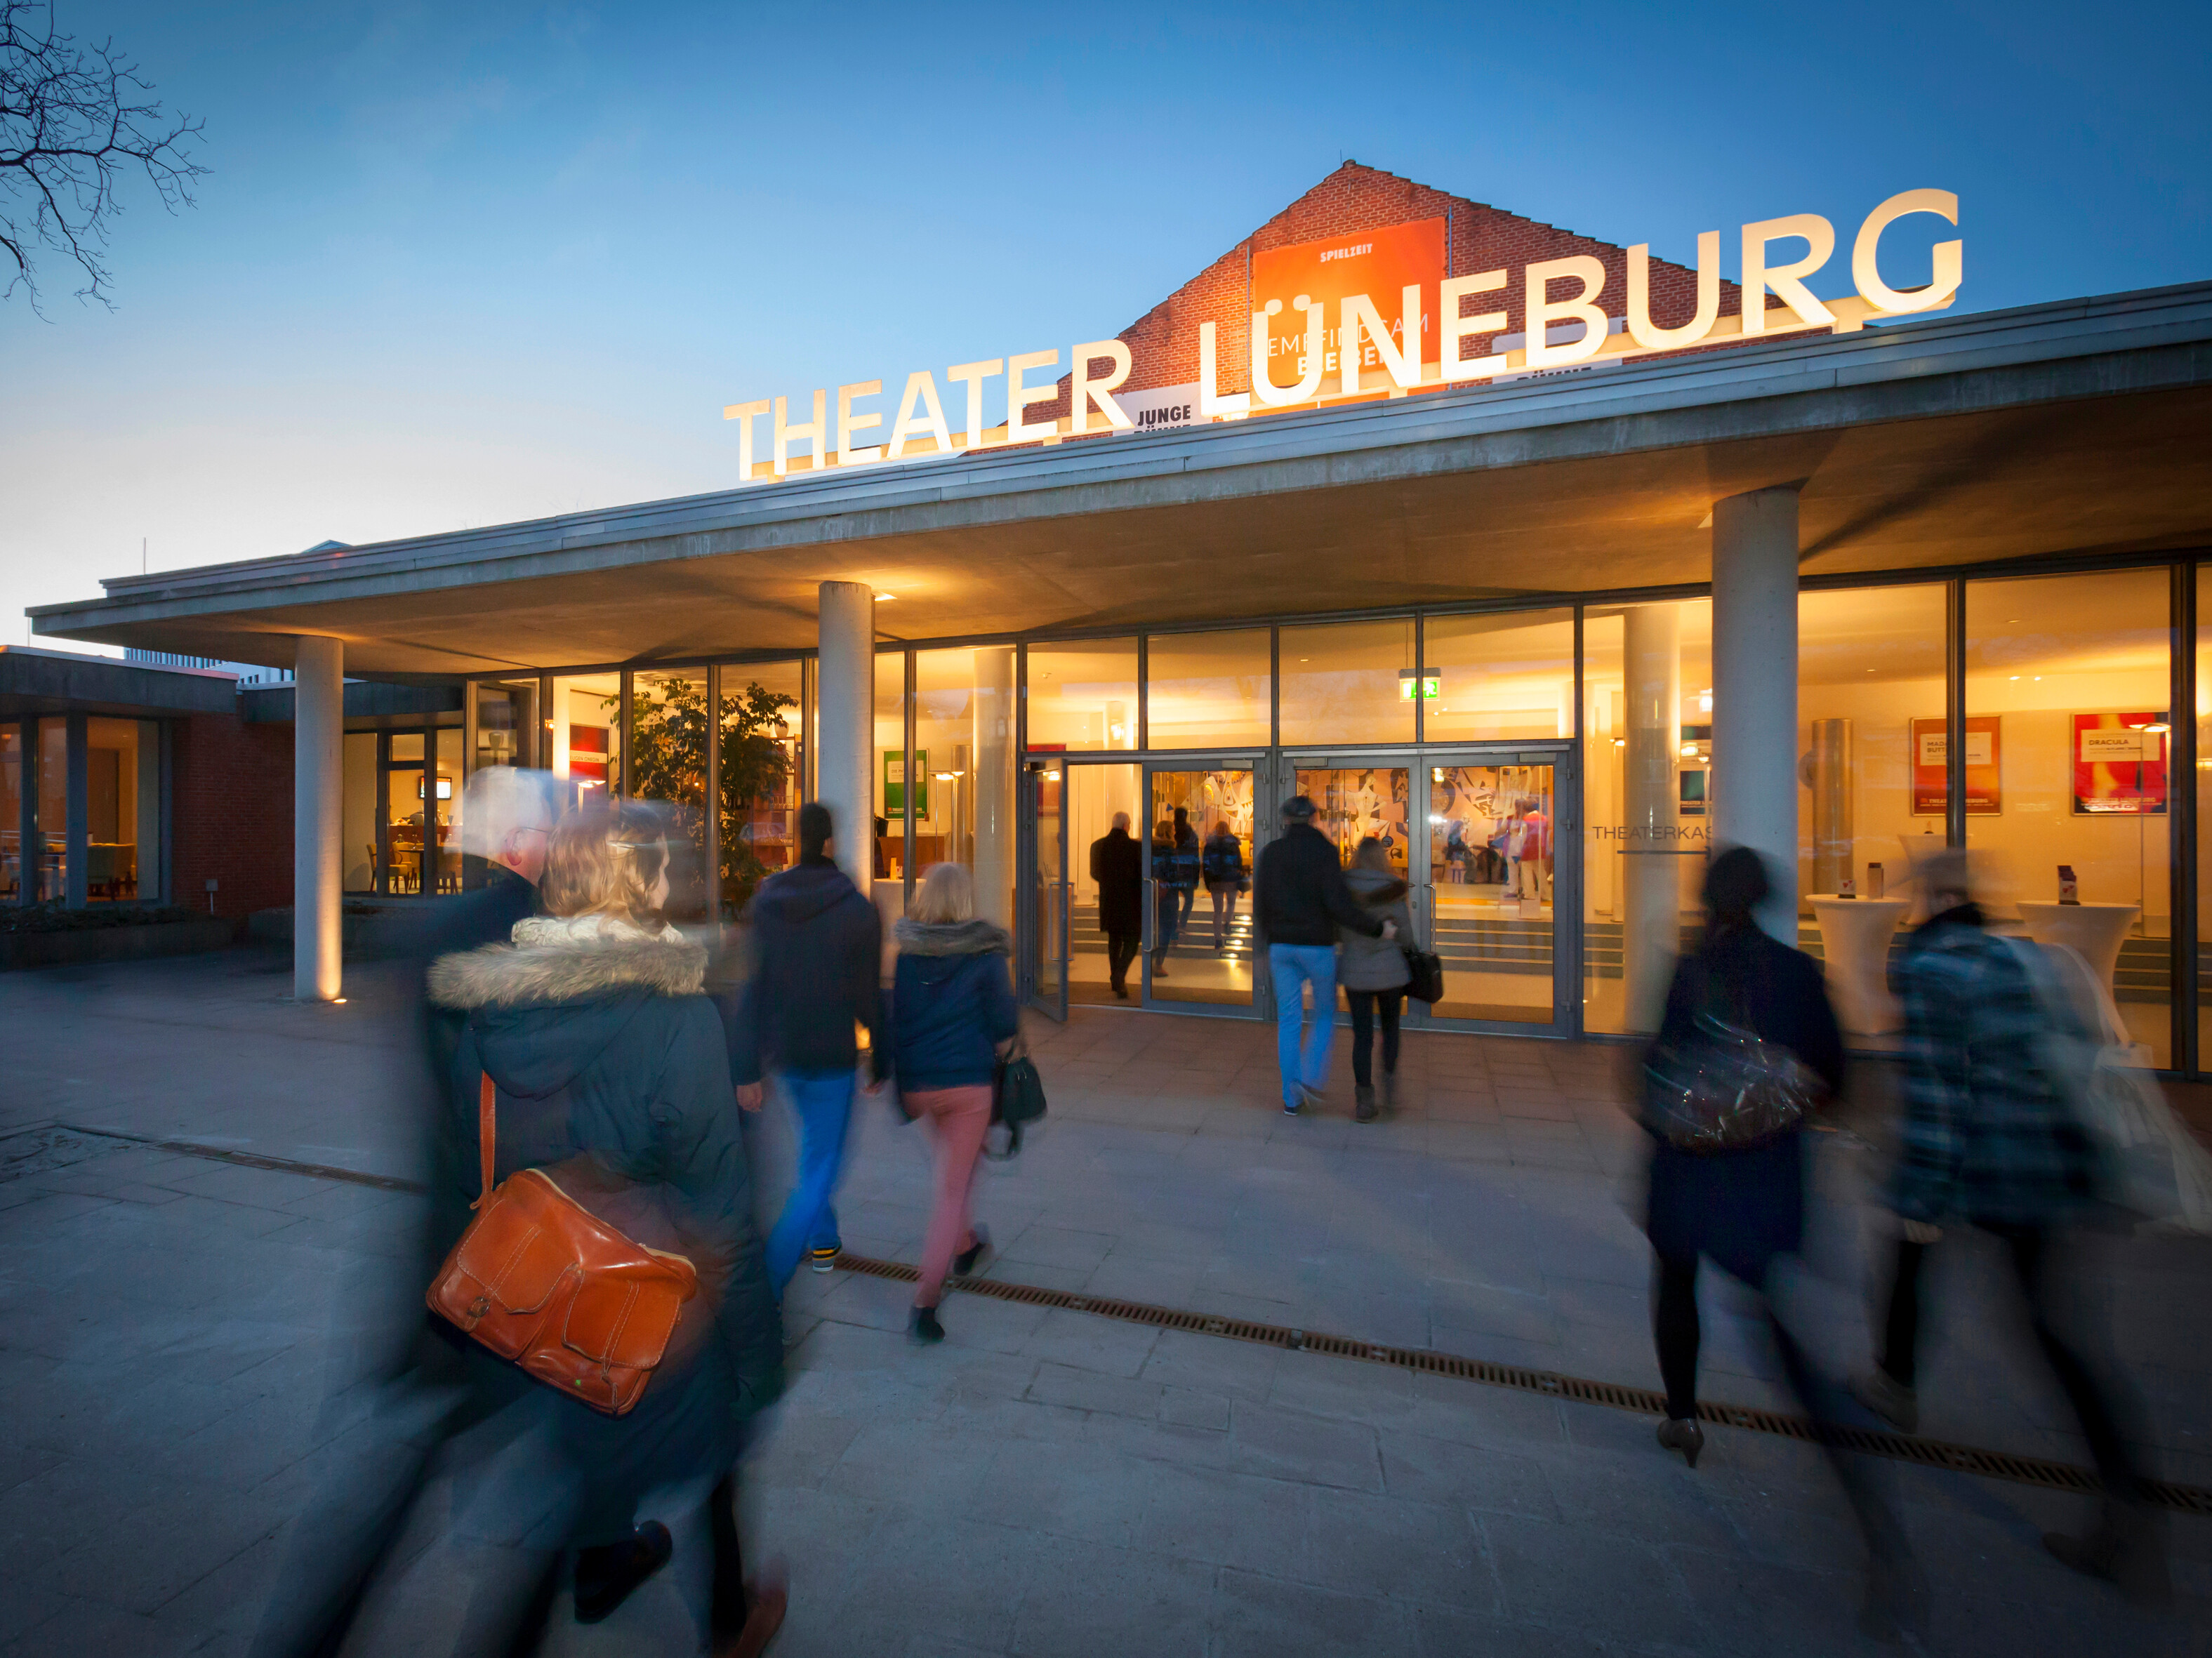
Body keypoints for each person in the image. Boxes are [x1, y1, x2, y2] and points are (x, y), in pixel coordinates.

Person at [303, 802, 786, 1657]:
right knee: (654, 1458)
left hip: (521, 1290)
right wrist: (759, 1366)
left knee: (552, 1498)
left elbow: (467, 1158)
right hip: (620, 1312)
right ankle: (714, 1613)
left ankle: (612, 1573)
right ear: (645, 884)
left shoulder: (487, 1000)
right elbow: (722, 1213)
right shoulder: (677, 1018)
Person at [1857, 847, 2165, 1598]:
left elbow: (1937, 1096)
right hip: (2051, 1167)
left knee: (1920, 1252)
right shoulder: (2022, 959)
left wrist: (1923, 1195)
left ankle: (1896, 1383)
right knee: (2060, 1330)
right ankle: (2126, 1497)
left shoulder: (1931, 971)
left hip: (1989, 1169)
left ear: (1928, 901)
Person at [1642, 847, 1921, 1641]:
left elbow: (1657, 1071)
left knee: (1674, 1279)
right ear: (1764, 899)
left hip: (1689, 1172)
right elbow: (1836, 1075)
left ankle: (1683, 1413)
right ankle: (1868, 1507)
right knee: (1782, 1336)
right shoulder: (1798, 975)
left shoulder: (1690, 969)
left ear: (1708, 897)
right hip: (1764, 1180)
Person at [726, 800, 885, 1288]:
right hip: (833, 1056)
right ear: (831, 842)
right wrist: (883, 1053)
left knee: (815, 1152)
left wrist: (745, 1068)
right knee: (821, 1168)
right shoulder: (856, 908)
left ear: (799, 840)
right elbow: (866, 993)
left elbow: (753, 988)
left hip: (786, 1054)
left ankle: (824, 1241)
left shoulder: (766, 904)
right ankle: (768, 1283)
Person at [888, 863, 1021, 1344]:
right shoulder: (985, 956)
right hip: (967, 1086)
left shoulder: (907, 956)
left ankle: (965, 1245)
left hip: (921, 1086)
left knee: (956, 1170)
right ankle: (925, 1300)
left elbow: (895, 1018)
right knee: (952, 1188)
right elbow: (1005, 1024)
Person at [1253, 794, 1390, 1117]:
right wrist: (1375, 929)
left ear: (1286, 819)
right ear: (1314, 818)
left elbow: (1261, 905)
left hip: (1281, 946)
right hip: (1317, 945)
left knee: (1288, 1019)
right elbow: (1337, 904)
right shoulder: (1326, 852)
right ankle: (1311, 1076)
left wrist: (1260, 948)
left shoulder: (1271, 853)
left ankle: (1291, 1100)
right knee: (1325, 1012)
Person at [1339, 837, 1415, 1122]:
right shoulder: (1392, 889)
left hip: (1355, 972)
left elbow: (1338, 929)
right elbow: (1406, 936)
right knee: (1391, 1030)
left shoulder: (1344, 887)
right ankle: (1391, 1089)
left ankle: (1364, 1101)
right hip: (1390, 973)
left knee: (1362, 1036)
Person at [1089, 810, 1143, 999]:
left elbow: (1094, 873)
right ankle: (1119, 977)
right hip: (1130, 902)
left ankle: (1116, 980)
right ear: (1126, 826)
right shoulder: (1136, 848)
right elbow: (1140, 875)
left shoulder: (1098, 846)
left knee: (1114, 940)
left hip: (1109, 901)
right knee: (1132, 940)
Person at [1202, 818, 1246, 950]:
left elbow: (1205, 863)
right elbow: (1239, 862)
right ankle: (1227, 922)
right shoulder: (1233, 843)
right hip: (1230, 878)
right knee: (1231, 903)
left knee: (1218, 911)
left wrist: (1208, 881)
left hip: (1215, 880)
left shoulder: (1210, 844)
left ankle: (1218, 939)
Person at [1149, 818, 1181, 976]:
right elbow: (1173, 874)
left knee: (1155, 929)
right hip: (1168, 895)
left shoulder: (1151, 849)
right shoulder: (1170, 850)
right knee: (1167, 929)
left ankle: (1152, 962)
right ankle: (1158, 964)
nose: (1175, 832)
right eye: (1173, 829)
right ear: (1169, 831)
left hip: (1153, 893)